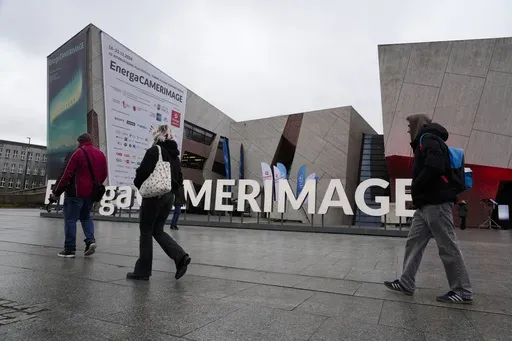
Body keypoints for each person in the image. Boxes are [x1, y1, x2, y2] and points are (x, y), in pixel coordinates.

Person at [384, 114, 473, 304]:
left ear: (418, 124)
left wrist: (416, 186)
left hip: (437, 203)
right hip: (425, 205)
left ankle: (462, 291)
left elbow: (435, 166)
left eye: (410, 124)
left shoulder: (429, 138)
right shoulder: (425, 141)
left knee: (447, 246)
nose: (408, 129)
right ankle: (406, 283)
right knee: (413, 242)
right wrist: (417, 197)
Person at [127, 125, 191, 281]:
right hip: (169, 197)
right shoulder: (175, 156)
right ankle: (180, 256)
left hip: (155, 196)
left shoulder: (155, 151)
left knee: (146, 231)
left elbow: (142, 172)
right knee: (157, 230)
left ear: (157, 136)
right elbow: (179, 179)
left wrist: (139, 183)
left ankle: (142, 271)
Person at [50, 133, 108, 258]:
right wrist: (94, 187)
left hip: (75, 193)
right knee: (86, 217)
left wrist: (56, 192)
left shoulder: (77, 153)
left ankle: (70, 249)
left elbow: (66, 174)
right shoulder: (101, 154)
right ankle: (90, 241)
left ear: (79, 142)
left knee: (70, 220)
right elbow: (104, 174)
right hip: (91, 194)